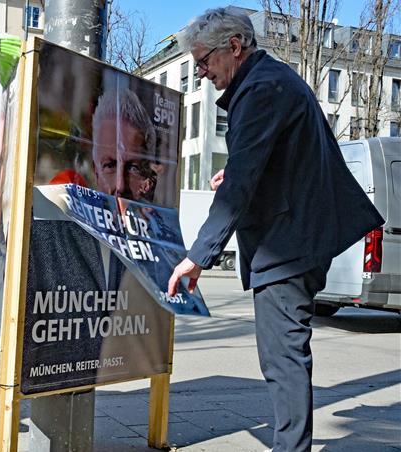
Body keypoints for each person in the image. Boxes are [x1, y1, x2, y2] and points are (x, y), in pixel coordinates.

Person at [167, 8, 384, 452]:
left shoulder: (261, 89)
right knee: (285, 355)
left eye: (203, 61)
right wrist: (237, 173)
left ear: (234, 47)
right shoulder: (275, 79)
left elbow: (244, 181)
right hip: (299, 238)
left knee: (283, 359)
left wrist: (197, 256)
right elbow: (285, 158)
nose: (201, 72)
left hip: (287, 246)